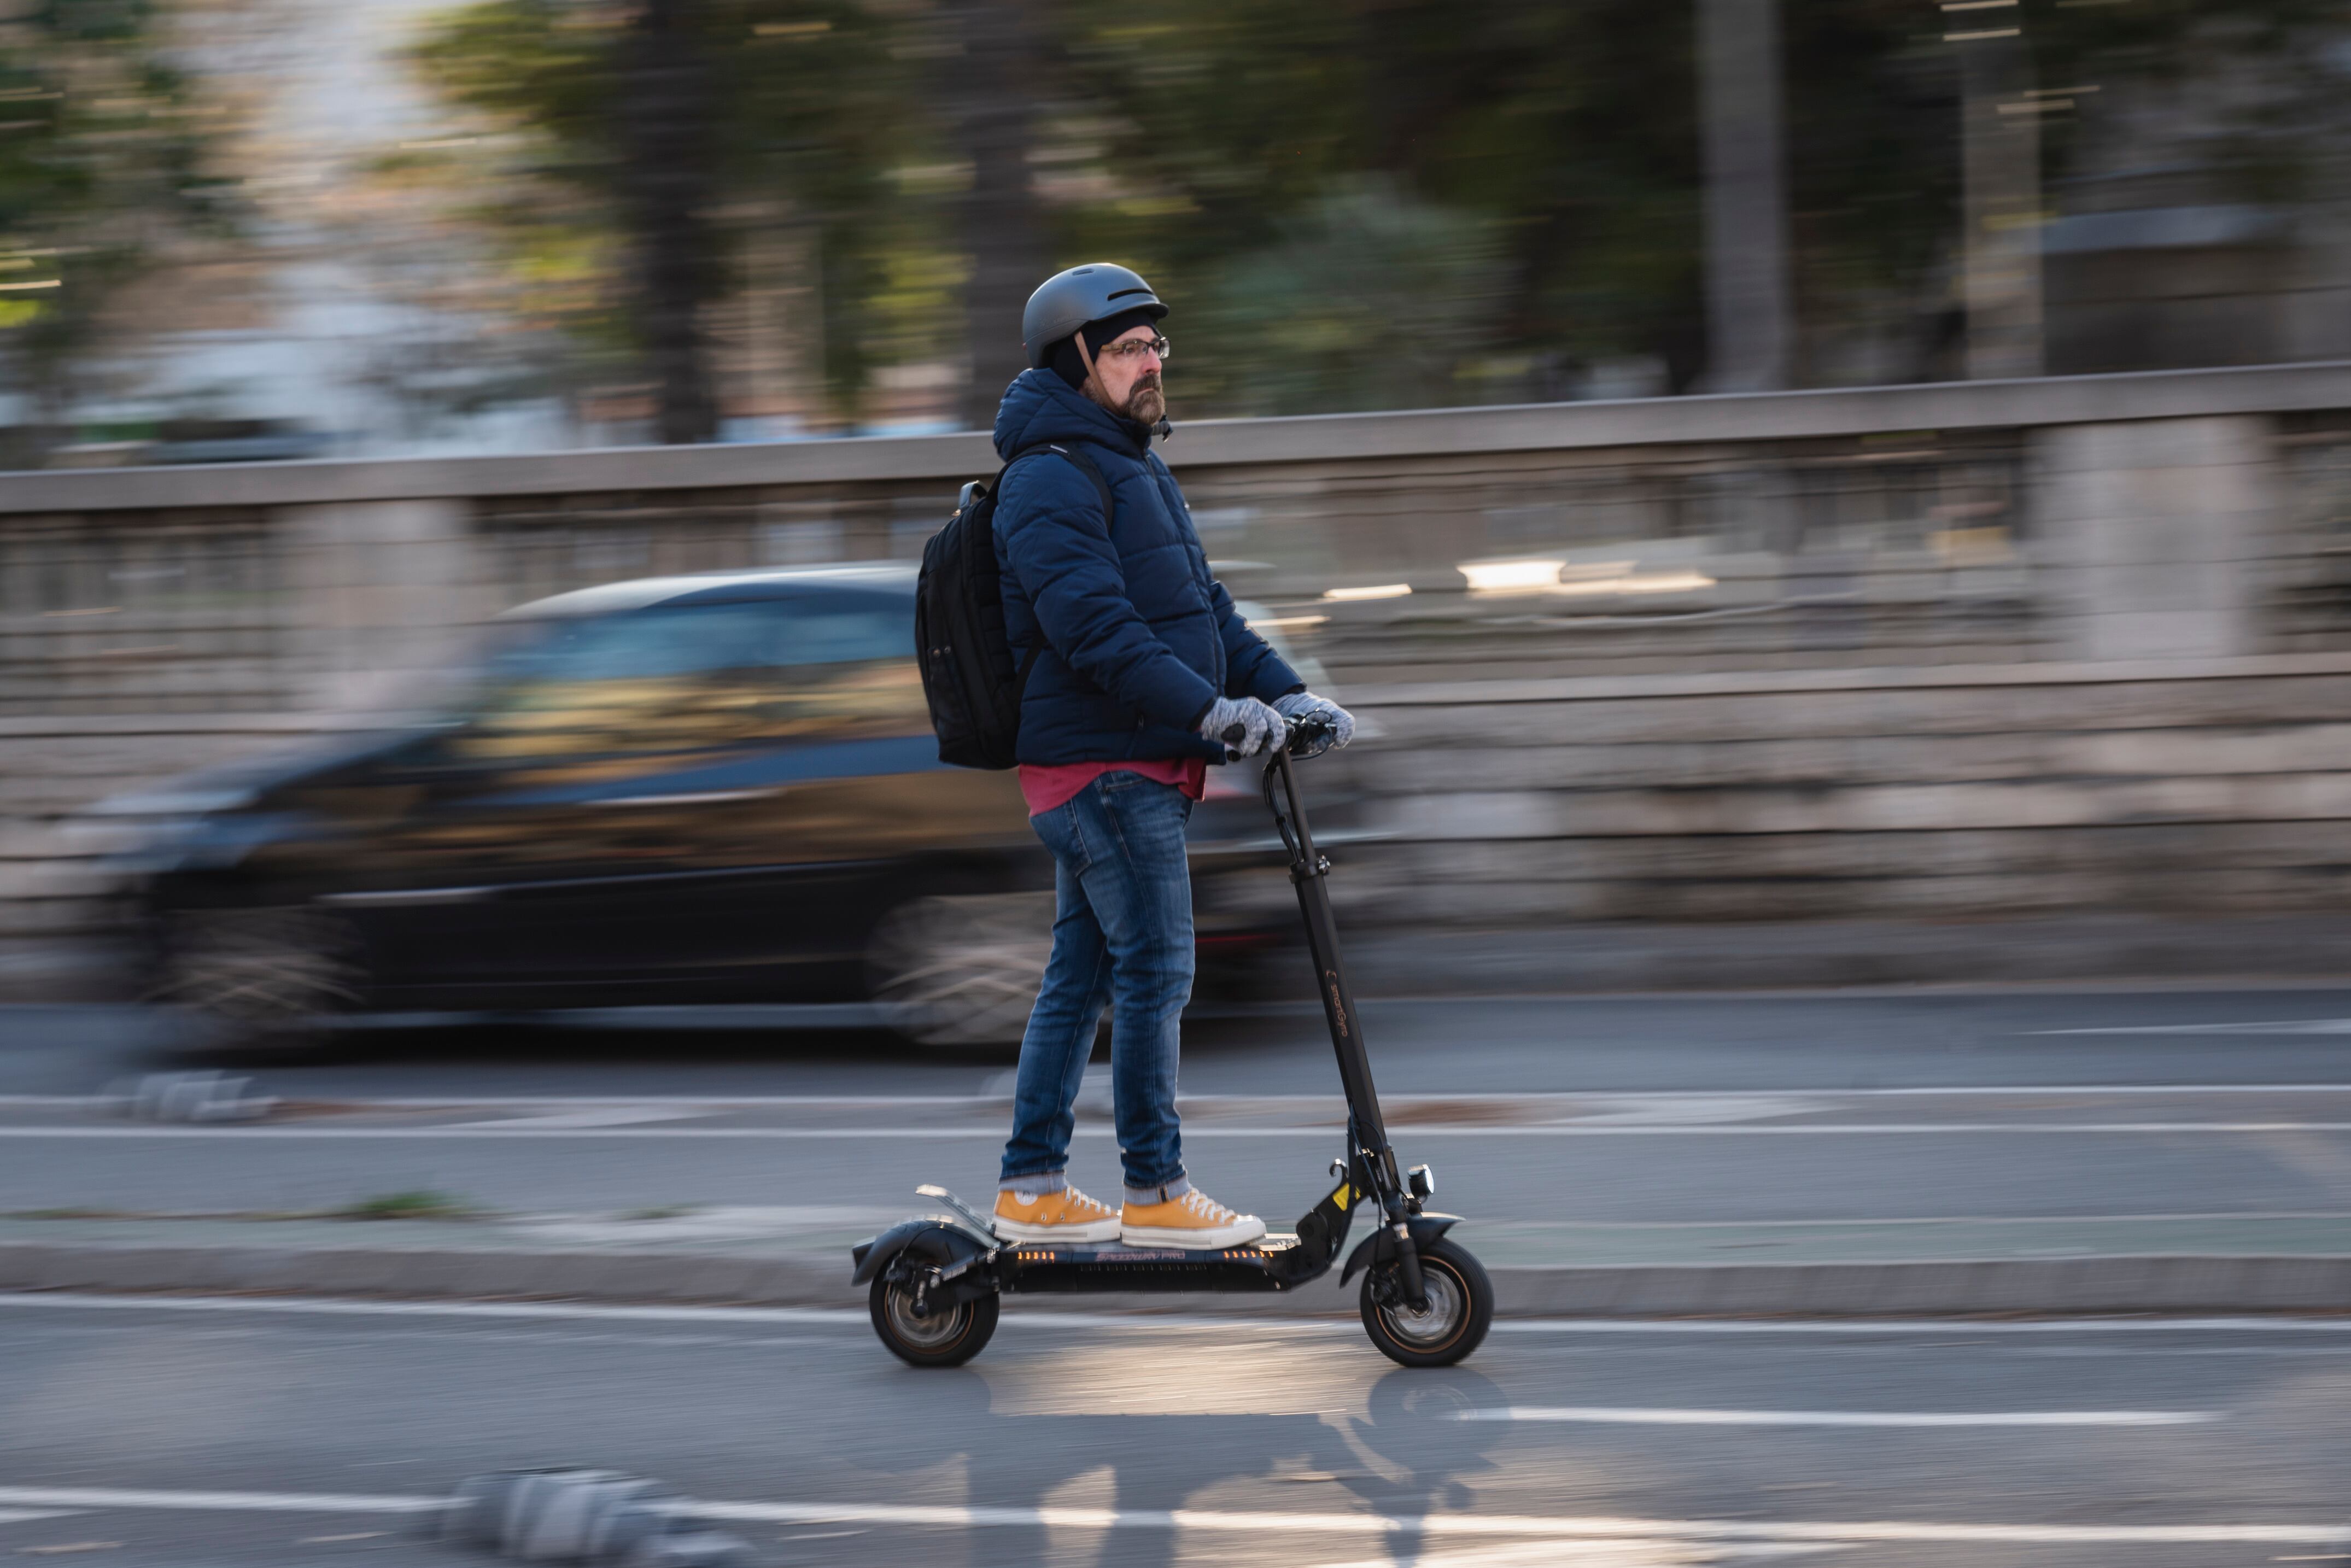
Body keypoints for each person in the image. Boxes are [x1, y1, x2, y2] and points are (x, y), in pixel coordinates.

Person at [989, 264, 1356, 1249]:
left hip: (1127, 767)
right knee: (1157, 968)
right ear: (1075, 361)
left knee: (1084, 974)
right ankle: (1155, 1189)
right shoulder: (1048, 476)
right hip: (1106, 769)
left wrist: (1287, 693)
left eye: (1156, 345)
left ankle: (1032, 1187)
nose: (1151, 361)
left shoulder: (1131, 464)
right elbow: (1094, 631)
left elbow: (1206, 611)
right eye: (1126, 349)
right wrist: (1212, 714)